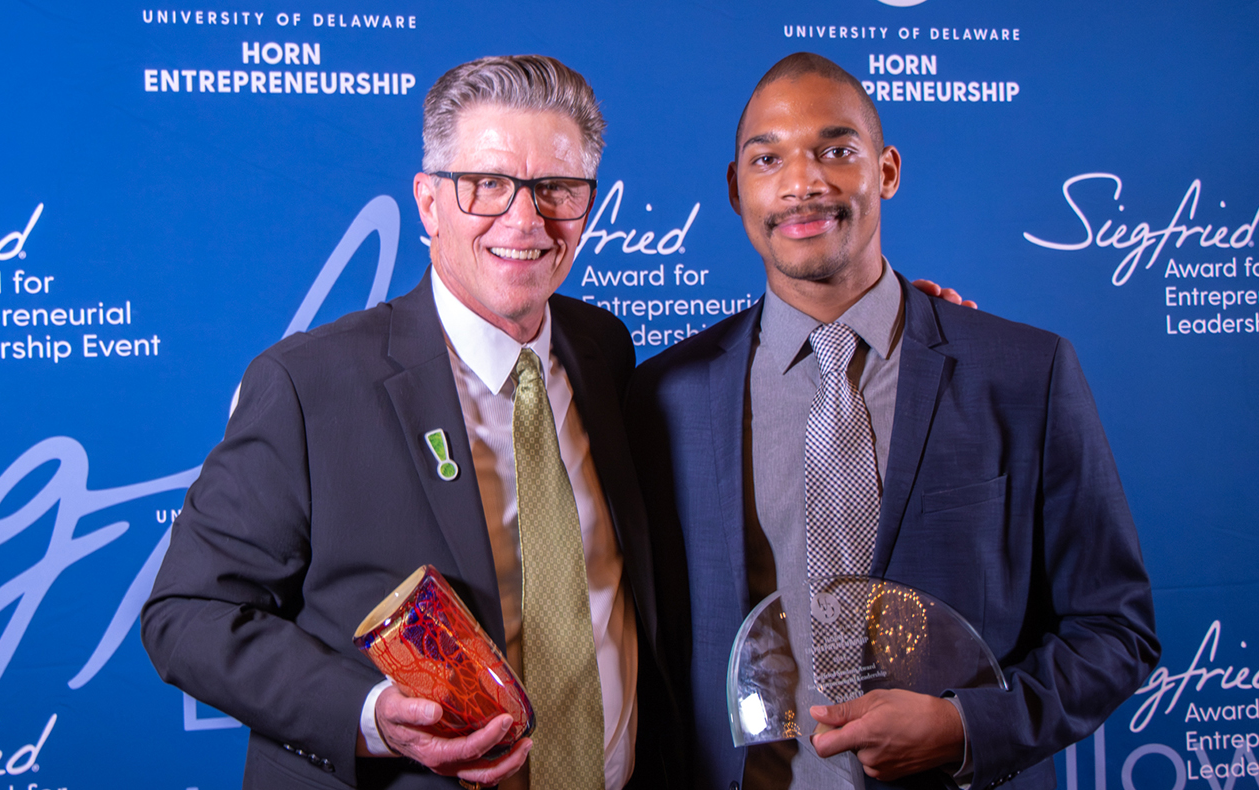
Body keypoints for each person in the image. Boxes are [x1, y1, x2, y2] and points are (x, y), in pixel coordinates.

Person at [141, 55, 682, 790]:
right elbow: (187, 614)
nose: (524, 220)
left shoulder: (603, 349)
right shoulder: (308, 386)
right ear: (429, 203)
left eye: (555, 189)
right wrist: (369, 714)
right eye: (487, 185)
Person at [627, 53, 1159, 790]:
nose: (804, 181)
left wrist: (968, 728)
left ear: (887, 169)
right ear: (735, 188)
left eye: (836, 151)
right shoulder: (666, 399)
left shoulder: (1022, 373)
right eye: (768, 158)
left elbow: (1115, 630)